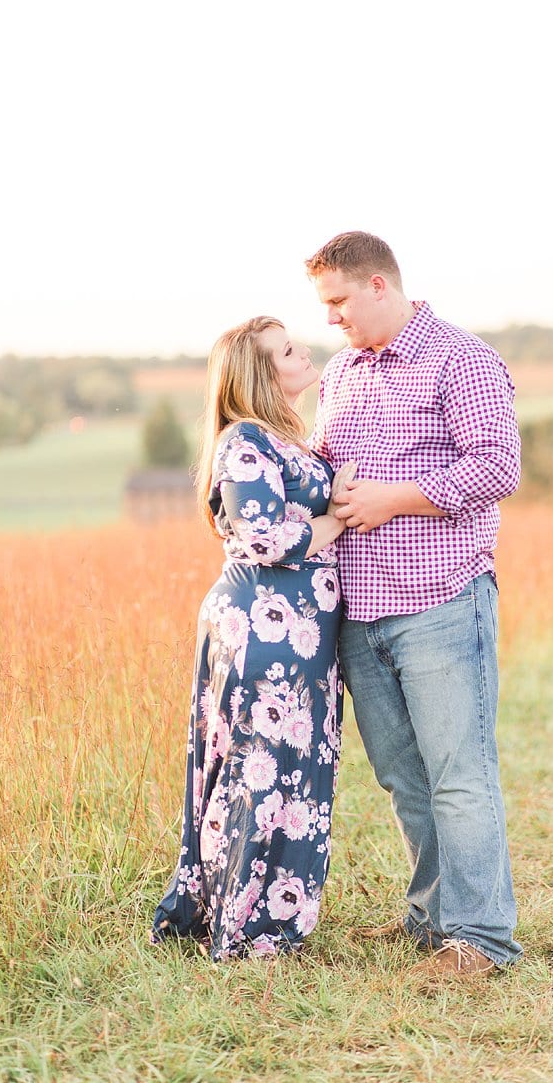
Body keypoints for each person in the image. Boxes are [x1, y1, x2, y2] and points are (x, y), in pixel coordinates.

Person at [306, 230, 523, 978]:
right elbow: (331, 471)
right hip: (359, 611)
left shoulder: (459, 358)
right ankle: (431, 920)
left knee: (459, 771)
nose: (331, 316)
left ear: (377, 285)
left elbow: (497, 465)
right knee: (404, 777)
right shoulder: (339, 375)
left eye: (338, 301)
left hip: (439, 597)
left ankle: (482, 938)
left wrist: (393, 499)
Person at [151, 316, 346, 960]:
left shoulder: (285, 437)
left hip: (299, 638)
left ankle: (266, 917)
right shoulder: (244, 441)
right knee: (257, 772)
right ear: (262, 374)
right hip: (264, 633)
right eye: (288, 350)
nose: (305, 351)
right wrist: (336, 520)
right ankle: (241, 924)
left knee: (289, 773)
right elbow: (265, 537)